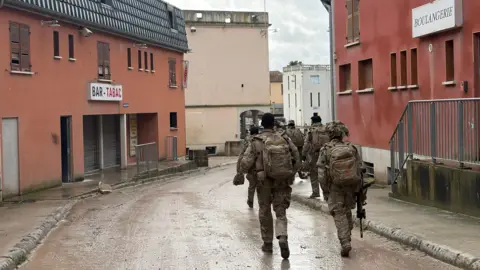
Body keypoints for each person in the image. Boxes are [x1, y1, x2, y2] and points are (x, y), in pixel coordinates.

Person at [239, 113, 301, 259]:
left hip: (263, 182)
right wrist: (291, 173)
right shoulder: (283, 138)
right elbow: (296, 156)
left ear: (262, 125)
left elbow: (245, 162)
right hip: (281, 180)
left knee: (265, 210)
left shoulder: (256, 141)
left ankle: (267, 243)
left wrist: (245, 172)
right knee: (280, 211)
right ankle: (282, 236)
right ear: (274, 124)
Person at [317, 121, 364, 257]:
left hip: (334, 187)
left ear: (329, 134)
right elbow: (360, 169)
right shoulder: (351, 148)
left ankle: (345, 242)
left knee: (339, 213)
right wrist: (359, 189)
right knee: (347, 210)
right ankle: (347, 236)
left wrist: (325, 190)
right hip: (351, 186)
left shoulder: (325, 150)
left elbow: (321, 174)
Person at [302, 114, 329, 198]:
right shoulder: (326, 129)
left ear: (312, 122)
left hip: (315, 154)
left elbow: (306, 144)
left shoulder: (311, 130)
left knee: (314, 173)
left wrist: (303, 154)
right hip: (327, 153)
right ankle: (326, 194)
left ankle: (316, 192)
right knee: (325, 173)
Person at [236, 126, 260, 208]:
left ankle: (250, 201)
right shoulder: (261, 139)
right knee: (262, 186)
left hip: (251, 167)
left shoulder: (247, 140)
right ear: (258, 132)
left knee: (252, 185)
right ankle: (262, 203)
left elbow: (242, 154)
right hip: (262, 166)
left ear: (250, 132)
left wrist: (240, 169)